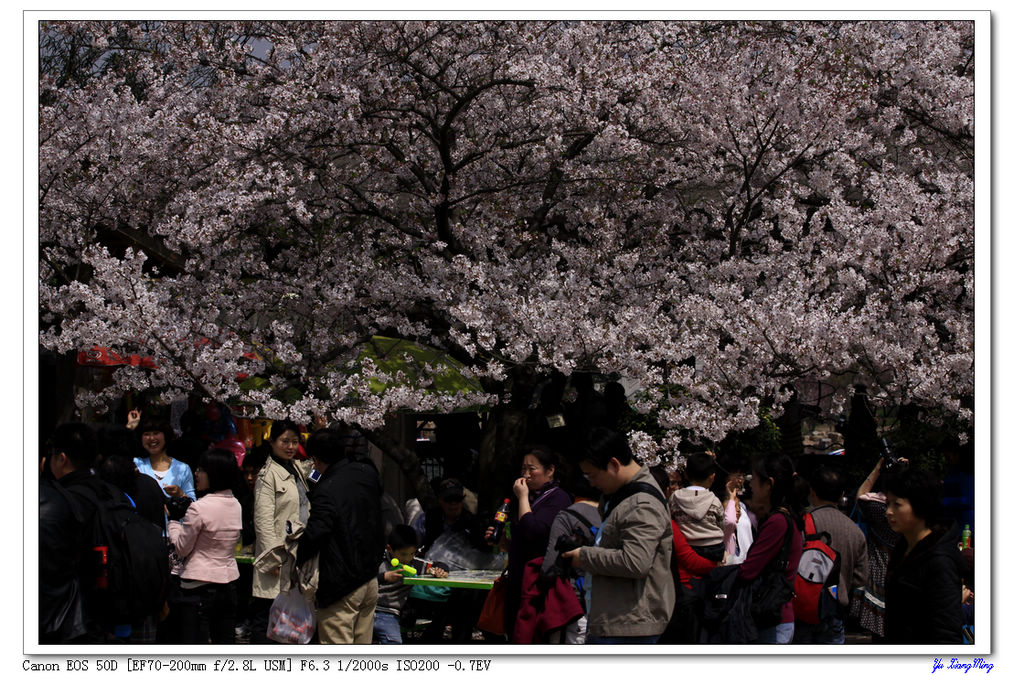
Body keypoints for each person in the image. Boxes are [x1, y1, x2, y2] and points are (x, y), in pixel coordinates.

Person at [561, 428, 674, 644]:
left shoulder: (642, 503)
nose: (591, 483)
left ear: (614, 464)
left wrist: (584, 556)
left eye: (592, 475)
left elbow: (635, 562)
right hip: (618, 619)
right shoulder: (620, 495)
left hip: (629, 625)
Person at [296, 427, 385, 644]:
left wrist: (297, 557)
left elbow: (316, 532)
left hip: (340, 583)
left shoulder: (326, 489)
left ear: (315, 459)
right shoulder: (367, 473)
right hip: (369, 577)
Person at [486, 447, 571, 642]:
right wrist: (503, 541)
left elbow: (534, 532)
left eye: (532, 469)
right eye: (523, 468)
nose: (526, 474)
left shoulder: (558, 498)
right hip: (518, 578)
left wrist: (523, 498)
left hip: (538, 582)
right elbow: (520, 539)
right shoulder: (527, 499)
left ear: (550, 471)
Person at [167, 448, 243, 644]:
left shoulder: (199, 508)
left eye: (201, 470)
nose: (196, 474)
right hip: (228, 584)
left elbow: (182, 548)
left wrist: (174, 522)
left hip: (198, 587)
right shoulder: (236, 504)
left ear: (214, 474)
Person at [883, 468, 964, 644]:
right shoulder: (902, 546)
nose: (889, 511)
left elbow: (947, 632)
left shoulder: (940, 560)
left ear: (920, 505)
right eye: (887, 504)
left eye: (897, 504)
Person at [793, 464, 869, 644]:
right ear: (842, 494)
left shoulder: (802, 524)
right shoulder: (855, 532)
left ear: (812, 492)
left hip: (801, 610)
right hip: (835, 611)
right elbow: (860, 578)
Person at [251, 420, 311, 643]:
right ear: (272, 442)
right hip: (277, 556)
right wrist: (272, 557)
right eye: (284, 441)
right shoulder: (267, 476)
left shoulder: (296, 467)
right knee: (268, 615)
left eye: (295, 442)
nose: (290, 447)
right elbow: (263, 520)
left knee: (290, 621)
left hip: (296, 554)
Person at [736, 453, 803, 644]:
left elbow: (748, 571)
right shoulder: (788, 515)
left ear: (769, 484)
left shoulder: (777, 522)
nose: (750, 485)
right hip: (780, 614)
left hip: (772, 618)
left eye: (754, 480)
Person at [539, 472, 602, 644]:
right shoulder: (612, 515)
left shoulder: (567, 517)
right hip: (609, 605)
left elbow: (549, 567)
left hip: (575, 606)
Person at [850, 457, 903, 640]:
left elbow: (860, 496)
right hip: (903, 580)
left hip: (878, 580)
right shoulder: (910, 512)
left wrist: (877, 469)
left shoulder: (878, 508)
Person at [670, 451, 727, 562]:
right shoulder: (714, 501)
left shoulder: (675, 498)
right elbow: (721, 525)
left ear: (685, 475)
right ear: (712, 477)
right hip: (714, 548)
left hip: (687, 549)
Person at [133, 418, 196, 501]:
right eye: (146, 434)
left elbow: (193, 505)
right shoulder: (135, 463)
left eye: (156, 433)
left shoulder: (183, 468)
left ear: (166, 436)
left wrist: (180, 494)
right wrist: (130, 427)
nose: (151, 438)